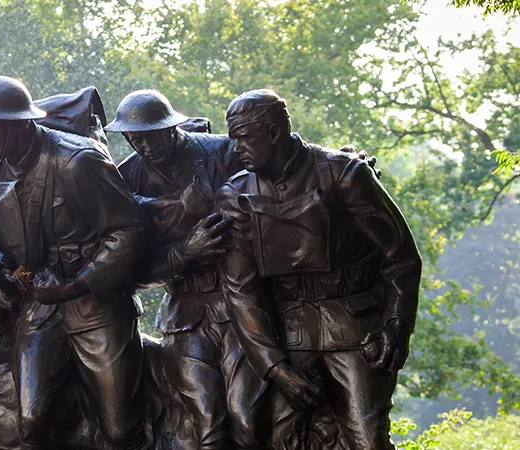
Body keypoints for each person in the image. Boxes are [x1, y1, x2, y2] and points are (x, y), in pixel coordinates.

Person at [215, 89, 422, 449]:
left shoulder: (343, 175)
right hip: (289, 334)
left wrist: (396, 325)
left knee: (366, 439)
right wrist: (275, 367)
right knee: (270, 437)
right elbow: (240, 290)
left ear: (274, 133)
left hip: (354, 331)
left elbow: (400, 256)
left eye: (244, 139)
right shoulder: (236, 195)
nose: (236, 150)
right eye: (233, 140)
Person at [0, 76, 149, 450]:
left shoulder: (78, 162)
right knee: (30, 420)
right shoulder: (1, 164)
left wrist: (79, 284)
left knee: (121, 429)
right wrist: (5, 269)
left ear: (17, 123)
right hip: (42, 303)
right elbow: (12, 237)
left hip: (95, 302)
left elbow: (130, 230)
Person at [107, 89, 265, 449]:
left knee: (248, 420)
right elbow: (129, 271)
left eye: (150, 135)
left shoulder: (221, 152)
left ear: (171, 127)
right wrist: (183, 253)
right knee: (206, 423)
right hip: (186, 311)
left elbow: (278, 166)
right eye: (134, 138)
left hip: (241, 303)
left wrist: (337, 162)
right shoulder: (124, 180)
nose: (144, 146)